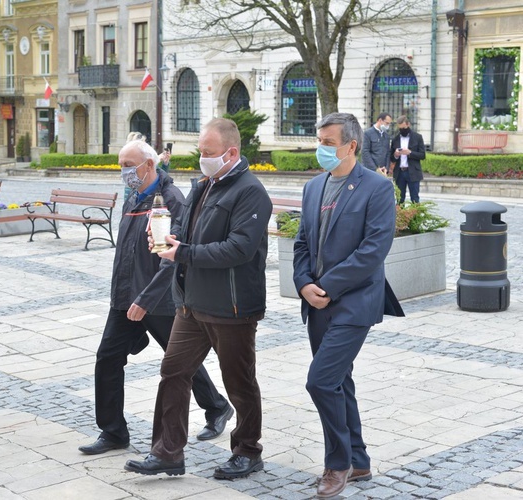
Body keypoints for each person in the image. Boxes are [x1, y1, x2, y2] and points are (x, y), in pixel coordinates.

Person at [125, 118, 271, 479]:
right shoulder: (205, 184)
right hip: (191, 304)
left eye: (208, 153)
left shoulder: (250, 192)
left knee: (239, 382)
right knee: (173, 372)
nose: (202, 159)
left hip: (232, 307)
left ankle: (248, 451)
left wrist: (183, 252)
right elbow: (183, 227)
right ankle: (167, 452)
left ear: (231, 152)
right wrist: (168, 240)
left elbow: (238, 249)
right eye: (201, 151)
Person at [78, 140, 233, 456]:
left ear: (149, 164)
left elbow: (170, 256)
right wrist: (121, 294)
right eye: (121, 165)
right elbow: (127, 248)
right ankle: (113, 432)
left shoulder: (170, 199)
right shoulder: (134, 197)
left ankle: (217, 406)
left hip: (158, 298)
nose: (124, 172)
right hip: (125, 297)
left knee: (178, 362)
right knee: (107, 358)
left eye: (128, 165)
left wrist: (147, 298)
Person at [293, 112, 404, 499]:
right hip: (317, 303)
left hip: (355, 302)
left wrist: (324, 286)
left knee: (320, 381)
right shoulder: (313, 187)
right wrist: (304, 283)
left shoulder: (376, 188)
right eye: (318, 140)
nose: (320, 148)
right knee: (339, 381)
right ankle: (359, 460)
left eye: (327, 142)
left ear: (350, 145)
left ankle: (337, 464)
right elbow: (302, 242)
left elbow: (372, 251)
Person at [390, 115, 425, 204]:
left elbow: (422, 155)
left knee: (415, 198)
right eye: (400, 129)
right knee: (399, 199)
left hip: (413, 171)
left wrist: (410, 153)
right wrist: (396, 154)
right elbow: (391, 157)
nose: (402, 131)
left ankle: (415, 217)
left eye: (404, 128)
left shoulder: (417, 137)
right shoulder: (395, 139)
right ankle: (400, 217)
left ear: (408, 124)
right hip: (399, 172)